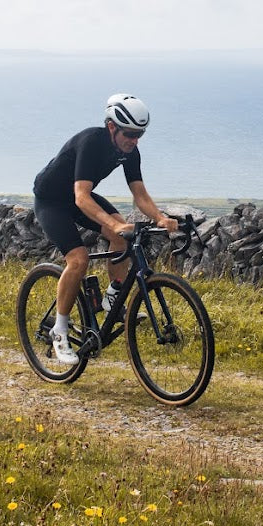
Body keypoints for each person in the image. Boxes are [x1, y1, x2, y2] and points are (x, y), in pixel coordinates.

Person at [32, 93, 179, 364]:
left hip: (78, 198)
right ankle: (59, 331)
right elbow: (81, 197)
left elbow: (139, 193)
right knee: (79, 260)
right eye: (129, 134)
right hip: (52, 201)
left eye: (140, 135)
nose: (134, 141)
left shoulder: (130, 151)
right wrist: (114, 224)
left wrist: (160, 217)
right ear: (112, 127)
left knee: (121, 238)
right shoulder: (91, 142)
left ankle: (112, 297)